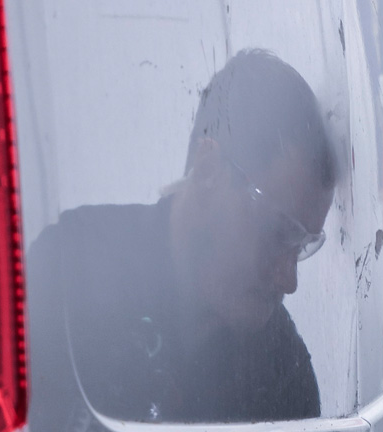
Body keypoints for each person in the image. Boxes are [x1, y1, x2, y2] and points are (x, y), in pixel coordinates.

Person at [26, 50, 338, 428]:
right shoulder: (69, 271)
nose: (289, 281)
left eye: (302, 247)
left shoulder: (282, 375)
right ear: (208, 172)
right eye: (277, 233)